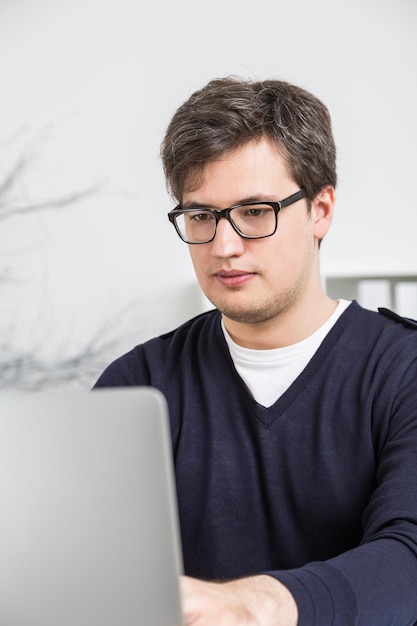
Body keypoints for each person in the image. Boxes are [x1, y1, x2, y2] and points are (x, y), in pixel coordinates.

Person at [94, 76, 417, 625]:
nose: (223, 246)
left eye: (255, 212)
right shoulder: (135, 385)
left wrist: (255, 605)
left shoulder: (403, 370)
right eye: (201, 216)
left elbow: (408, 561)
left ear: (321, 210)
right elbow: (87, 568)